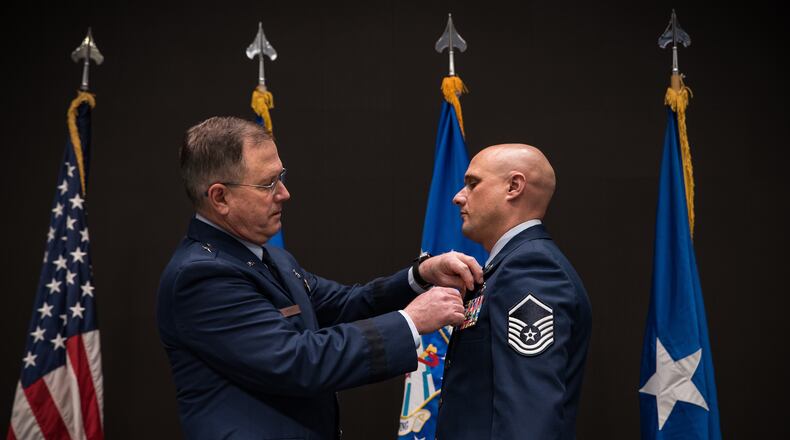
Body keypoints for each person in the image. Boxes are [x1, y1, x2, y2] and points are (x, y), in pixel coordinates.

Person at [156, 116, 483, 439]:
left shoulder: (270, 257)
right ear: (220, 198)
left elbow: (344, 304)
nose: (284, 193)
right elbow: (297, 361)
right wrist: (411, 321)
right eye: (268, 183)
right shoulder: (202, 276)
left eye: (280, 176)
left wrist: (419, 275)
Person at [435, 144, 592, 439]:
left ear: (514, 186)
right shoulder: (507, 268)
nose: (458, 196)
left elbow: (529, 417)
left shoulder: (532, 269)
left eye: (473, 183)